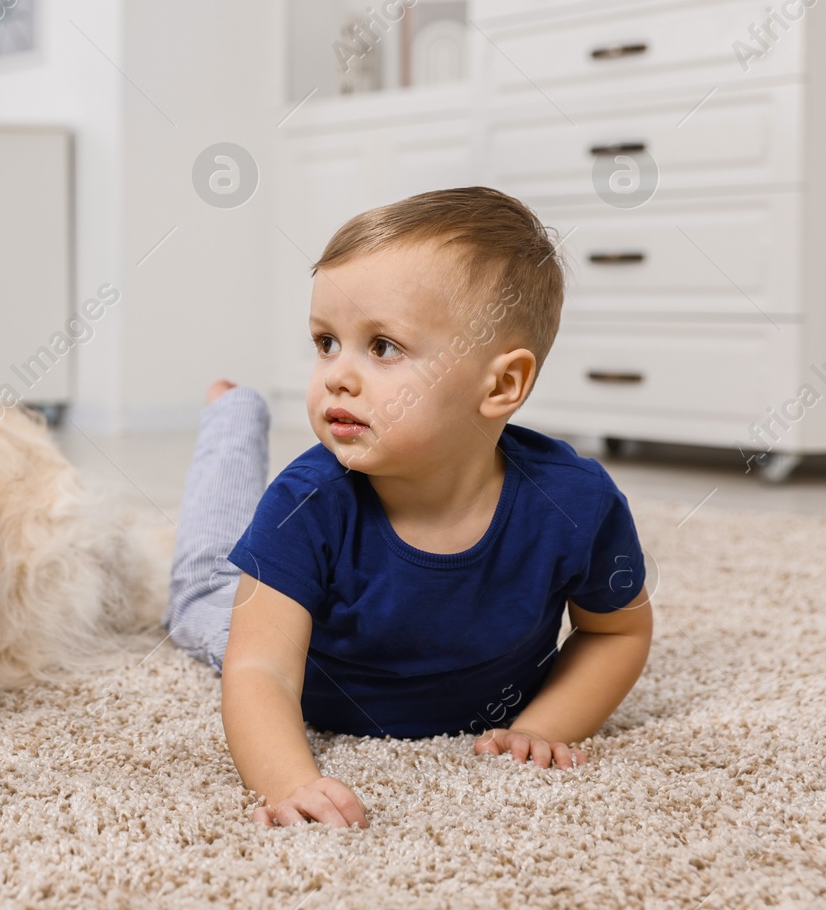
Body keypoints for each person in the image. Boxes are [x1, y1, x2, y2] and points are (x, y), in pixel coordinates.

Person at [165, 187, 653, 829]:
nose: (337, 375)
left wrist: (543, 724)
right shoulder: (306, 502)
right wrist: (288, 782)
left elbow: (616, 630)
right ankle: (232, 414)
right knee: (203, 589)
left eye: (383, 347)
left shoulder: (576, 503)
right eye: (325, 342)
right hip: (279, 630)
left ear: (503, 384)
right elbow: (260, 669)